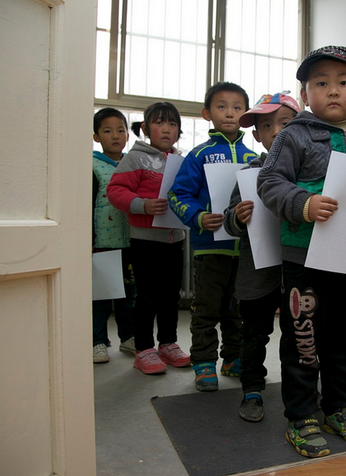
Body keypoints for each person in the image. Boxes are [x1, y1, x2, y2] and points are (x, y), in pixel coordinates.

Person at [256, 46, 346, 458]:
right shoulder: (293, 135)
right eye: (321, 83)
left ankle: (339, 407)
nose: (333, 90)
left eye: (343, 82)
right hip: (304, 262)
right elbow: (269, 183)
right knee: (303, 342)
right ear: (305, 95)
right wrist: (303, 203)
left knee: (343, 341)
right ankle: (301, 416)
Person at [168, 81, 258, 392]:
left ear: (246, 114)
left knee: (237, 310)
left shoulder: (255, 157)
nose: (230, 113)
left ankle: (232, 359)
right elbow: (177, 195)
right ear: (208, 113)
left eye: (237, 107)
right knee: (205, 309)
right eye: (222, 106)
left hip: (244, 251)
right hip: (209, 249)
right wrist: (198, 217)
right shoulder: (199, 155)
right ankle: (203, 363)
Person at [223, 91, 301, 421]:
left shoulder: (310, 171)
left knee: (301, 334)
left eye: (285, 123)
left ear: (300, 128)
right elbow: (229, 219)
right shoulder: (250, 174)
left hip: (300, 269)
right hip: (257, 271)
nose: (276, 132)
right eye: (267, 126)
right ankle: (252, 388)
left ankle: (299, 392)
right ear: (257, 135)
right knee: (254, 333)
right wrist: (236, 217)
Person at [106, 101, 191, 375]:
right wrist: (142, 204)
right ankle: (144, 349)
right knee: (148, 296)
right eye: (159, 122)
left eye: (173, 124)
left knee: (170, 295)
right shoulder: (136, 157)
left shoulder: (181, 160)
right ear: (145, 128)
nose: (166, 129)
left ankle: (168, 344)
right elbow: (115, 190)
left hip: (175, 238)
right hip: (145, 239)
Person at [92, 107, 136, 363]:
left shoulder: (131, 164)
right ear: (97, 136)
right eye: (107, 131)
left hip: (130, 242)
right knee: (101, 295)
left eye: (120, 130)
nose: (115, 136)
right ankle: (98, 341)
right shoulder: (92, 165)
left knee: (128, 295)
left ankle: (128, 337)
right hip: (102, 243)